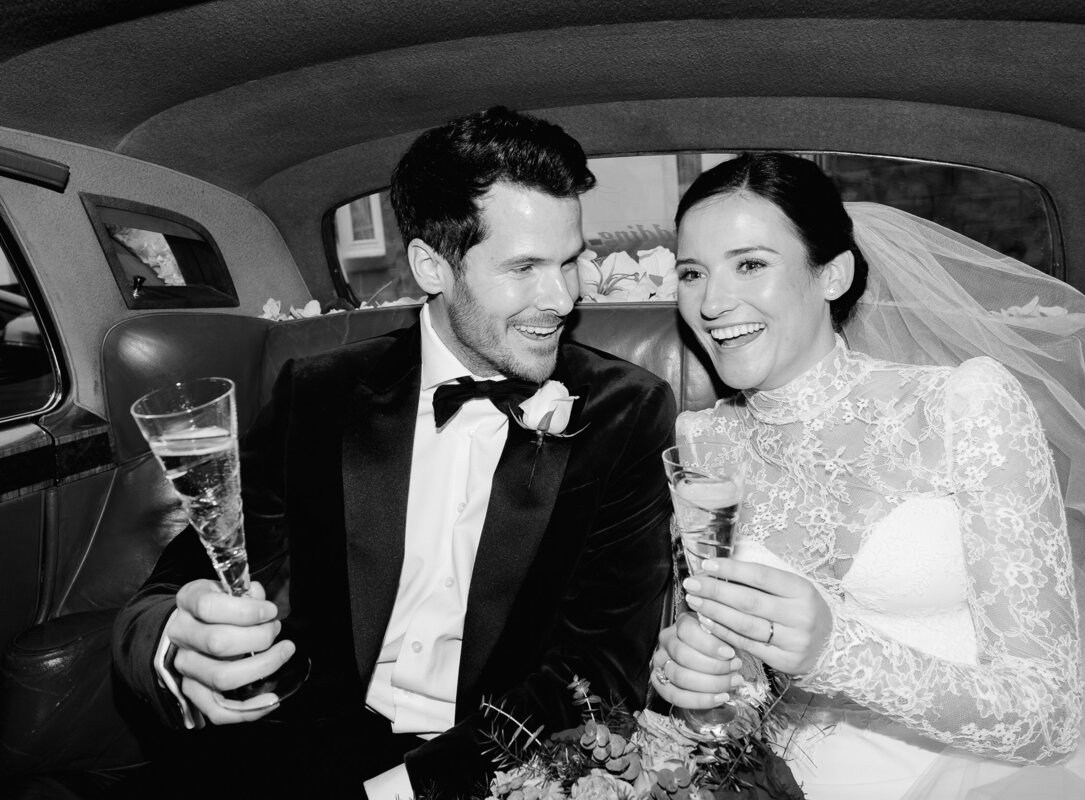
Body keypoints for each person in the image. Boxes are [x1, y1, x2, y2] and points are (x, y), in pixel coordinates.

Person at [112, 106, 675, 799]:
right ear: (431, 266)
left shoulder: (626, 410)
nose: (561, 298)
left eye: (570, 261)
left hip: (489, 767)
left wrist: (400, 792)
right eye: (524, 267)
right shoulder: (316, 395)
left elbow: (601, 669)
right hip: (294, 750)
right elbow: (182, 577)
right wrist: (176, 643)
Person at [650, 153, 1085, 798]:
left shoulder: (965, 406)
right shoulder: (702, 439)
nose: (713, 301)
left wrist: (836, 652)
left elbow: (1047, 718)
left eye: (751, 264)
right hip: (786, 777)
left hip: (988, 775)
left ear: (832, 275)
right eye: (692, 273)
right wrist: (705, 695)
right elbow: (742, 688)